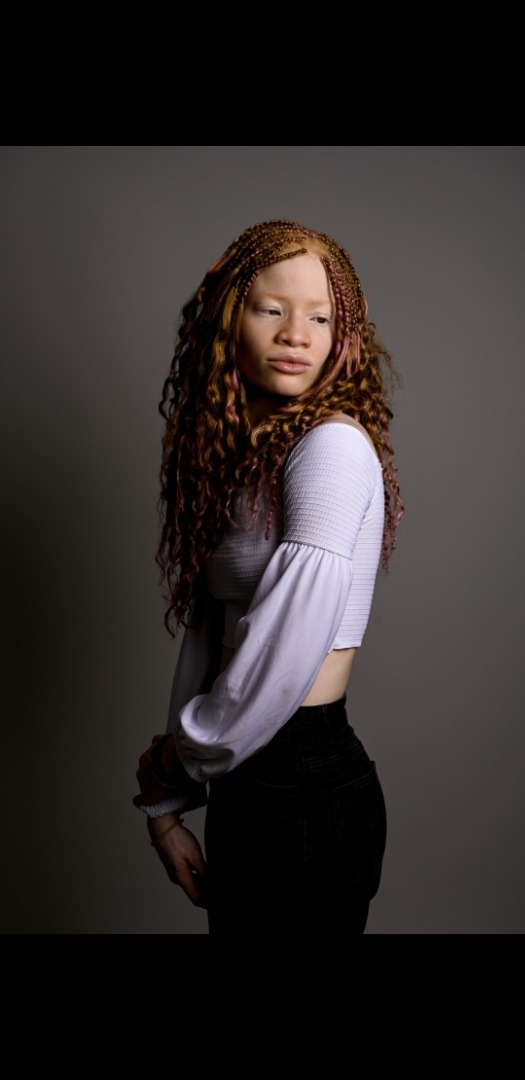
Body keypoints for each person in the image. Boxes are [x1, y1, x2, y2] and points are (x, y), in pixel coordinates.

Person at [133, 218, 404, 936]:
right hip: (245, 774)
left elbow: (285, 646)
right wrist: (167, 807)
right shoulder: (244, 458)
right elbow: (212, 635)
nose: (296, 335)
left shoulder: (331, 448)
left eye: (320, 317)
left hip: (301, 782)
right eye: (272, 309)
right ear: (230, 319)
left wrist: (178, 757)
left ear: (343, 335)